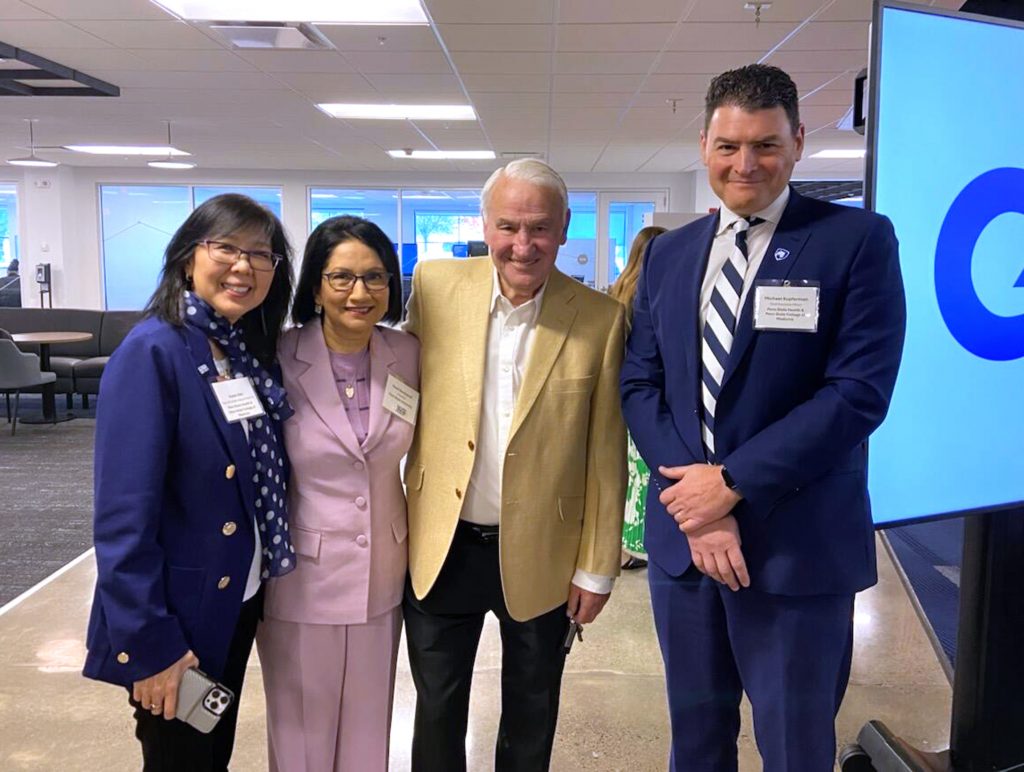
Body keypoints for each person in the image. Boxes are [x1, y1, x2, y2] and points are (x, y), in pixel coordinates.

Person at [620, 64, 907, 771]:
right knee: (696, 740)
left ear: (799, 143)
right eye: (728, 146)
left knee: (793, 744)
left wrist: (734, 482)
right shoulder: (670, 255)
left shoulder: (856, 242)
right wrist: (699, 506)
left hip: (796, 548)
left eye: (766, 146)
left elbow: (857, 393)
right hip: (687, 548)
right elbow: (640, 382)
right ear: (704, 145)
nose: (744, 164)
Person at [403, 158, 627, 772]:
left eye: (538, 229)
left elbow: (607, 457)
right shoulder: (434, 286)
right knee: (436, 708)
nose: (522, 246)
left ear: (563, 229)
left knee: (532, 710)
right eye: (508, 227)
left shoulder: (601, 319)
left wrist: (597, 568)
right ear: (485, 224)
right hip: (441, 546)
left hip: (544, 553)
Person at [83, 193, 296, 771]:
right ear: (187, 258)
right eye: (225, 247)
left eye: (261, 254)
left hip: (234, 597)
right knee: (181, 761)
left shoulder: (240, 353)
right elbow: (122, 520)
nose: (243, 266)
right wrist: (152, 645)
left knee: (209, 755)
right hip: (176, 617)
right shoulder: (153, 350)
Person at [256, 216, 418, 772]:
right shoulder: (277, 356)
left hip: (383, 570)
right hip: (302, 574)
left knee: (370, 730)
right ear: (316, 287)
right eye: (341, 277)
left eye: (375, 278)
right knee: (302, 732)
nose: (360, 293)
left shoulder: (410, 354)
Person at [609, 225, 666, 571]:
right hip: (652, 398)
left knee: (631, 475)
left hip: (621, 395)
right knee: (645, 475)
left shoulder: (617, 291)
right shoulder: (654, 292)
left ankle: (625, 544)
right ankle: (638, 543)